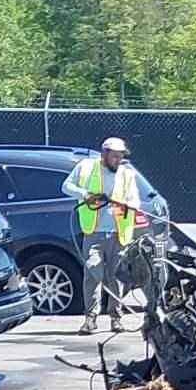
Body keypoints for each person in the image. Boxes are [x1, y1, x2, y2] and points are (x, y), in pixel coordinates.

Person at [66, 138, 143, 333]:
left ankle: (116, 318)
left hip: (119, 234)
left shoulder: (127, 175)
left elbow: (135, 200)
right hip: (94, 233)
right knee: (92, 274)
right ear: (105, 153)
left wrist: (128, 205)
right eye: (115, 156)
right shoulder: (86, 168)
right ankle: (90, 318)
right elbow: (66, 186)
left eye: (121, 156)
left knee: (116, 278)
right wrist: (86, 195)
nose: (118, 160)